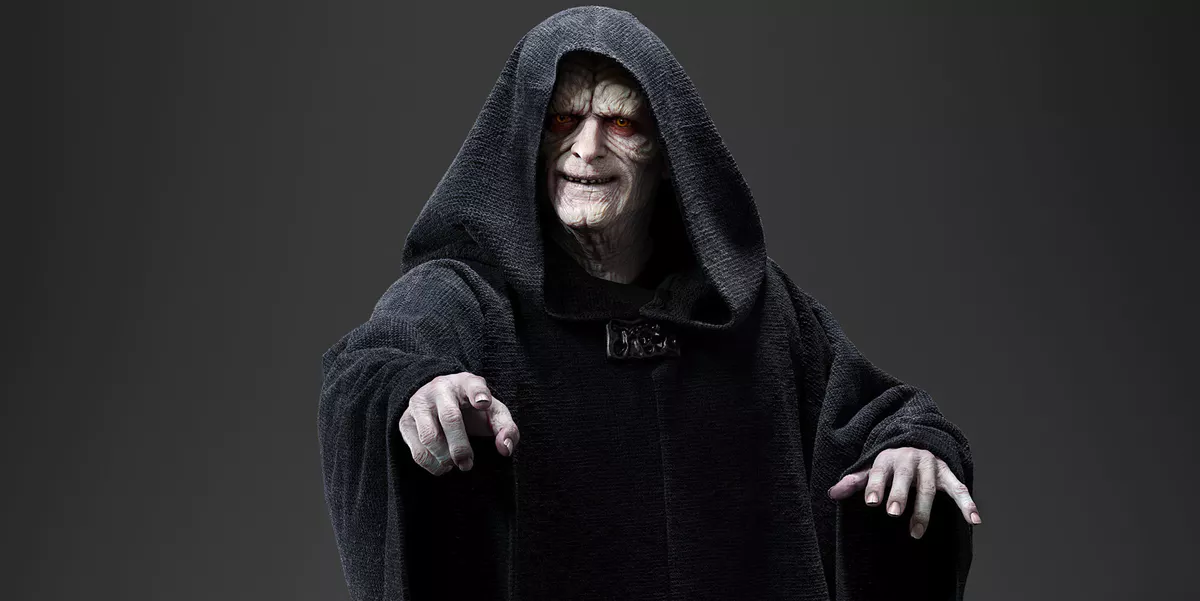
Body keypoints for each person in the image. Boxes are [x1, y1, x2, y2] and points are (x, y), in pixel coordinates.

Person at [318, 6, 981, 601]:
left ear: (667, 151)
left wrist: (912, 449)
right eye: (562, 119)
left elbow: (880, 413)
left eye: (620, 122)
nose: (586, 149)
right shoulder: (464, 296)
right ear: (527, 136)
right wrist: (417, 389)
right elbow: (371, 363)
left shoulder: (753, 308)